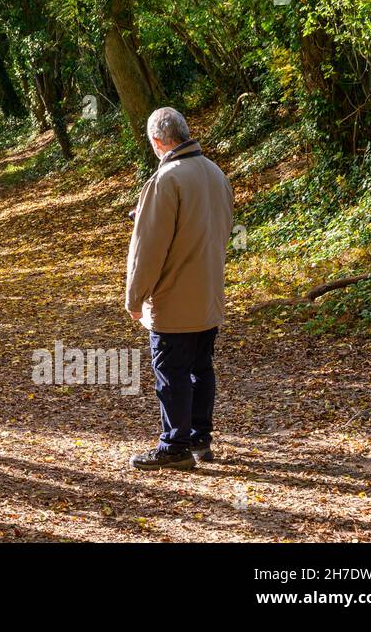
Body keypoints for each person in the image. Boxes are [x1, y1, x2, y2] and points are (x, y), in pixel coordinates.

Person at [125, 107, 233, 471]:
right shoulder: (216, 174)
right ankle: (201, 437)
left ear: (158, 142)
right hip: (210, 292)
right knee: (201, 368)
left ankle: (175, 445)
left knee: (171, 370)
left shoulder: (166, 180)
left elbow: (149, 248)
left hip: (174, 297)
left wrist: (135, 298)